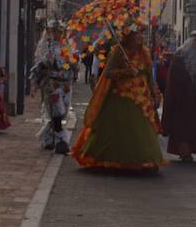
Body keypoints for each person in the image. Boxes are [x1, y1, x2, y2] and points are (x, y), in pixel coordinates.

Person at [71, 28, 166, 171]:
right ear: (128, 37)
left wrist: (155, 94)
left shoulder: (144, 53)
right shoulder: (119, 52)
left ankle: (145, 161)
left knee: (142, 131)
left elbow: (149, 77)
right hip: (120, 97)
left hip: (141, 99)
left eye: (140, 34)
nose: (139, 38)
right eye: (136, 35)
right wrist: (125, 72)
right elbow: (108, 72)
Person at [160, 31, 196, 164]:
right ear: (189, 41)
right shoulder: (180, 56)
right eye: (194, 40)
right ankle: (185, 152)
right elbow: (175, 77)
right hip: (183, 99)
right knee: (183, 127)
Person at [30, 22, 75, 155]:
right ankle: (62, 142)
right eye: (54, 31)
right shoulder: (46, 46)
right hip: (52, 84)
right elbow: (38, 65)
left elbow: (73, 63)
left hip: (65, 84)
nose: (57, 33)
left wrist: (73, 63)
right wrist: (35, 85)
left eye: (60, 31)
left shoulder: (68, 46)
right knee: (57, 111)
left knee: (63, 112)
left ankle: (49, 137)